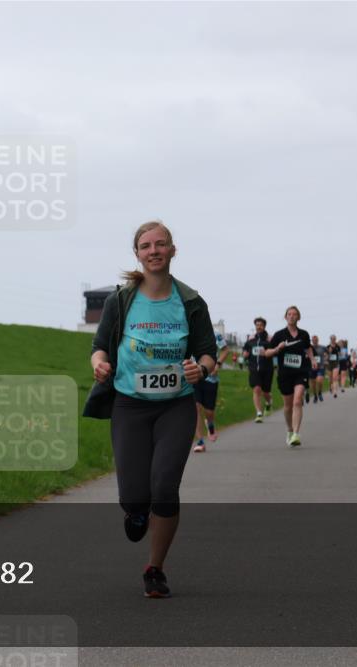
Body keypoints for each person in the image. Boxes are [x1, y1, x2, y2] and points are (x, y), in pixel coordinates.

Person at [84, 220, 217, 598]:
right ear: (138, 254)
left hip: (175, 406)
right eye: (146, 246)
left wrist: (201, 368)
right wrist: (99, 363)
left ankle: (154, 568)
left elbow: (208, 352)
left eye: (161, 244)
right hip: (130, 404)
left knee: (164, 487)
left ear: (173, 250)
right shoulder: (121, 300)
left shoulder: (190, 302)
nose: (154, 251)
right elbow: (99, 346)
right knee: (133, 495)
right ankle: (135, 511)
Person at [263, 306, 316, 447]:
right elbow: (266, 353)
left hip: (301, 372)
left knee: (297, 401)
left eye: (295, 314)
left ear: (298, 317)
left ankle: (296, 434)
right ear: (285, 317)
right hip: (285, 374)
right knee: (287, 406)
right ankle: (289, 430)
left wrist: (312, 359)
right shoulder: (279, 335)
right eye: (289, 314)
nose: (292, 316)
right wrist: (277, 349)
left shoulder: (304, 334)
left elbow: (308, 347)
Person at [193, 330, 229, 452]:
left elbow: (225, 350)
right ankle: (200, 441)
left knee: (209, 411)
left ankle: (210, 424)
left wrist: (217, 365)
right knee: (196, 407)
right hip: (193, 376)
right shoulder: (188, 331)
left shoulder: (214, 334)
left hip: (210, 377)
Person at [242, 317, 274, 423]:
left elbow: (275, 351)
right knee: (256, 389)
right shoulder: (251, 340)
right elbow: (245, 351)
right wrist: (245, 354)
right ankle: (259, 413)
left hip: (267, 369)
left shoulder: (269, 340)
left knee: (266, 392)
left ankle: (269, 403)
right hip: (254, 368)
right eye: (257, 325)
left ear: (264, 326)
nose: (258, 326)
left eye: (260, 325)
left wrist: (269, 351)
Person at [307, 334, 327, 403]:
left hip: (320, 366)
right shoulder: (309, 348)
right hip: (312, 367)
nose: (315, 341)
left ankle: (320, 393)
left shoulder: (323, 347)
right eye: (313, 340)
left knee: (319, 380)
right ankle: (315, 395)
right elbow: (305, 355)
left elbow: (328, 353)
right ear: (312, 341)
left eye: (316, 340)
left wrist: (326, 359)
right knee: (313, 383)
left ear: (318, 340)